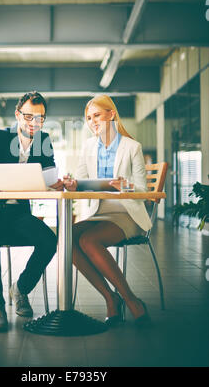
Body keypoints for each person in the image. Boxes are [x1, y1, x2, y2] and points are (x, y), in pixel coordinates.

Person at [0, 91, 63, 331]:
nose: (34, 123)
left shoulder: (43, 141)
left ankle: (20, 289)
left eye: (40, 118)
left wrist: (60, 184)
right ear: (18, 114)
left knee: (49, 240)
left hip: (16, 215)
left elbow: (49, 179)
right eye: (29, 116)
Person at [63, 94, 151, 327]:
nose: (92, 122)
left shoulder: (133, 147)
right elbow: (81, 180)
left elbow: (142, 189)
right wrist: (74, 184)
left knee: (89, 241)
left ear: (111, 115)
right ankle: (109, 296)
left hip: (127, 214)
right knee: (66, 239)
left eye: (97, 116)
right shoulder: (88, 147)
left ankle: (130, 300)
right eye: (89, 118)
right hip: (99, 213)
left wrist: (126, 185)